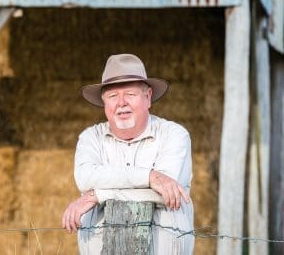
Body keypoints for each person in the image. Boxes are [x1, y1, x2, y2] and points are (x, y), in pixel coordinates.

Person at [62, 54, 194, 254]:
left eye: (130, 94)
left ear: (148, 97)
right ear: (104, 102)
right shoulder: (90, 138)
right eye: (113, 96)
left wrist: (98, 195)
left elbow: (167, 193)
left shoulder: (174, 135)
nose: (121, 103)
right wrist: (149, 177)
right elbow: (85, 178)